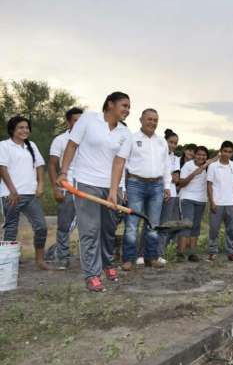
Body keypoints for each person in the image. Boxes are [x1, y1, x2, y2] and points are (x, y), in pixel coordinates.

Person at [57, 92, 133, 292]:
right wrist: (63, 172)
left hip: (110, 186)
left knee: (108, 230)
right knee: (90, 230)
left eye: (129, 107)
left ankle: (107, 264)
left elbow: (119, 163)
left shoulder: (125, 134)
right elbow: (72, 145)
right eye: (124, 105)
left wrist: (114, 191)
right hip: (85, 183)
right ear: (110, 104)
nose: (127, 110)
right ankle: (92, 274)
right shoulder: (88, 120)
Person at [121, 109, 170, 271]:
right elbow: (122, 164)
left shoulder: (162, 142)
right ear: (141, 120)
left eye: (155, 120)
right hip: (135, 184)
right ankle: (128, 259)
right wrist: (123, 187)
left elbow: (166, 166)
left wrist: (167, 186)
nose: (152, 122)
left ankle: (152, 257)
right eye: (149, 119)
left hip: (157, 185)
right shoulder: (132, 139)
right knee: (132, 224)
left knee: (153, 224)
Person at [0, 116, 49, 270]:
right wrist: (13, 191)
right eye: (21, 127)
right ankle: (8, 264)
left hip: (30, 194)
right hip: (11, 194)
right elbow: (2, 168)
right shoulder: (4, 146)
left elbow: (40, 165)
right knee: (11, 229)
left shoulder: (31, 145)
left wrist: (41, 184)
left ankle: (40, 260)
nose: (25, 130)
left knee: (41, 226)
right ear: (12, 130)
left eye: (27, 127)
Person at [47, 107, 84, 269]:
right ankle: (62, 258)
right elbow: (52, 165)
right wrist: (56, 188)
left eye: (81, 121)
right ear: (69, 122)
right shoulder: (60, 140)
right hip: (67, 187)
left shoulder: (89, 140)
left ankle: (87, 260)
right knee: (64, 225)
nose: (79, 124)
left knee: (88, 226)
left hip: (86, 188)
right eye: (76, 120)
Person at [207, 141, 233, 262]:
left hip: (231, 203)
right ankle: (212, 252)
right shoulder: (213, 166)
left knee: (230, 230)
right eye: (225, 151)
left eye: (230, 152)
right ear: (220, 151)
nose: (227, 154)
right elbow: (209, 185)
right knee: (214, 229)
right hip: (217, 203)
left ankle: (231, 252)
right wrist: (212, 202)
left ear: (232, 153)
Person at [178, 146, 214, 262]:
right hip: (187, 198)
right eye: (199, 154)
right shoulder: (188, 166)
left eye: (204, 155)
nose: (201, 157)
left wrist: (207, 163)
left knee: (196, 227)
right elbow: (181, 183)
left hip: (201, 200)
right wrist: (194, 173)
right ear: (195, 155)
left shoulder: (208, 168)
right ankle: (181, 253)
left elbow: (217, 158)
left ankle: (192, 253)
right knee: (187, 225)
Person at [159, 128, 181, 257]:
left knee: (165, 225)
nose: (173, 145)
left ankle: (159, 254)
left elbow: (176, 179)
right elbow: (158, 173)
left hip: (171, 194)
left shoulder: (175, 159)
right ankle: (144, 254)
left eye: (175, 143)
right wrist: (169, 174)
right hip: (156, 192)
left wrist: (168, 174)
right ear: (164, 141)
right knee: (152, 224)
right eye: (170, 142)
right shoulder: (158, 154)